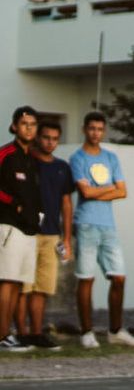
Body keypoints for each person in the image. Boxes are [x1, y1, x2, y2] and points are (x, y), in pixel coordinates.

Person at [70, 112, 134, 348]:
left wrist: (100, 190)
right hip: (86, 223)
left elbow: (123, 191)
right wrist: (108, 189)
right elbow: (86, 193)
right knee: (86, 279)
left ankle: (115, 330)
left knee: (118, 277)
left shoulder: (110, 157)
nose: (95, 133)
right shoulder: (77, 158)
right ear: (84, 129)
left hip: (108, 225)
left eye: (100, 129)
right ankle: (86, 331)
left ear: (104, 131)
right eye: (92, 128)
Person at [17, 118, 74, 349]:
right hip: (27, 232)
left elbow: (66, 203)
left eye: (54, 139)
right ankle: (20, 333)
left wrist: (67, 238)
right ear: (38, 137)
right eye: (46, 137)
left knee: (42, 287)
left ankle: (36, 333)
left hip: (51, 234)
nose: (50, 143)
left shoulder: (62, 167)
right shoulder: (27, 162)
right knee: (23, 286)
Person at [0, 106, 43, 352]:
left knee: (17, 282)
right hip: (9, 227)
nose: (29, 128)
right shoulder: (6, 154)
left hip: (29, 229)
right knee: (6, 280)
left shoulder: (31, 158)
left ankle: (9, 334)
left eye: (33, 124)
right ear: (15, 126)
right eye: (24, 123)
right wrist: (13, 204)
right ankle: (1, 335)